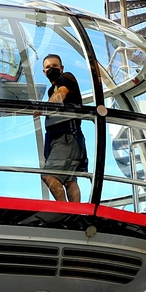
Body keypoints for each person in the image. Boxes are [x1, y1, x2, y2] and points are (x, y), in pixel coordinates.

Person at [40, 53, 88, 203]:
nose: (51, 69)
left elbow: (62, 94)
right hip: (62, 138)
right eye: (48, 67)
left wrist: (44, 107)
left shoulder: (66, 78)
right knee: (69, 180)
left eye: (55, 66)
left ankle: (64, 209)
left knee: (48, 174)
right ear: (43, 71)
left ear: (61, 68)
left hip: (66, 137)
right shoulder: (50, 90)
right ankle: (75, 212)